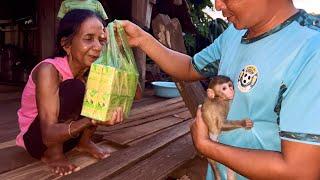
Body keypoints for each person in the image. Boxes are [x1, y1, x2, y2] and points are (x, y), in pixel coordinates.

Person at [119, 0, 320, 179]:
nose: (218, 5)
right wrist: (142, 39)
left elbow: (300, 171)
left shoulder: (310, 51)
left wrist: (207, 147)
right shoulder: (235, 34)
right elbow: (190, 68)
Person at [16, 9, 123, 176]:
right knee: (75, 88)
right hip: (40, 142)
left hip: (69, 137)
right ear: (66, 44)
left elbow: (137, 94)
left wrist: (120, 50)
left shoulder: (90, 72)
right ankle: (54, 155)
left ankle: (84, 142)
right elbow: (47, 134)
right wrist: (91, 120)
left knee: (99, 88)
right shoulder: (48, 70)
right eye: (88, 39)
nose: (97, 47)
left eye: (102, 40)